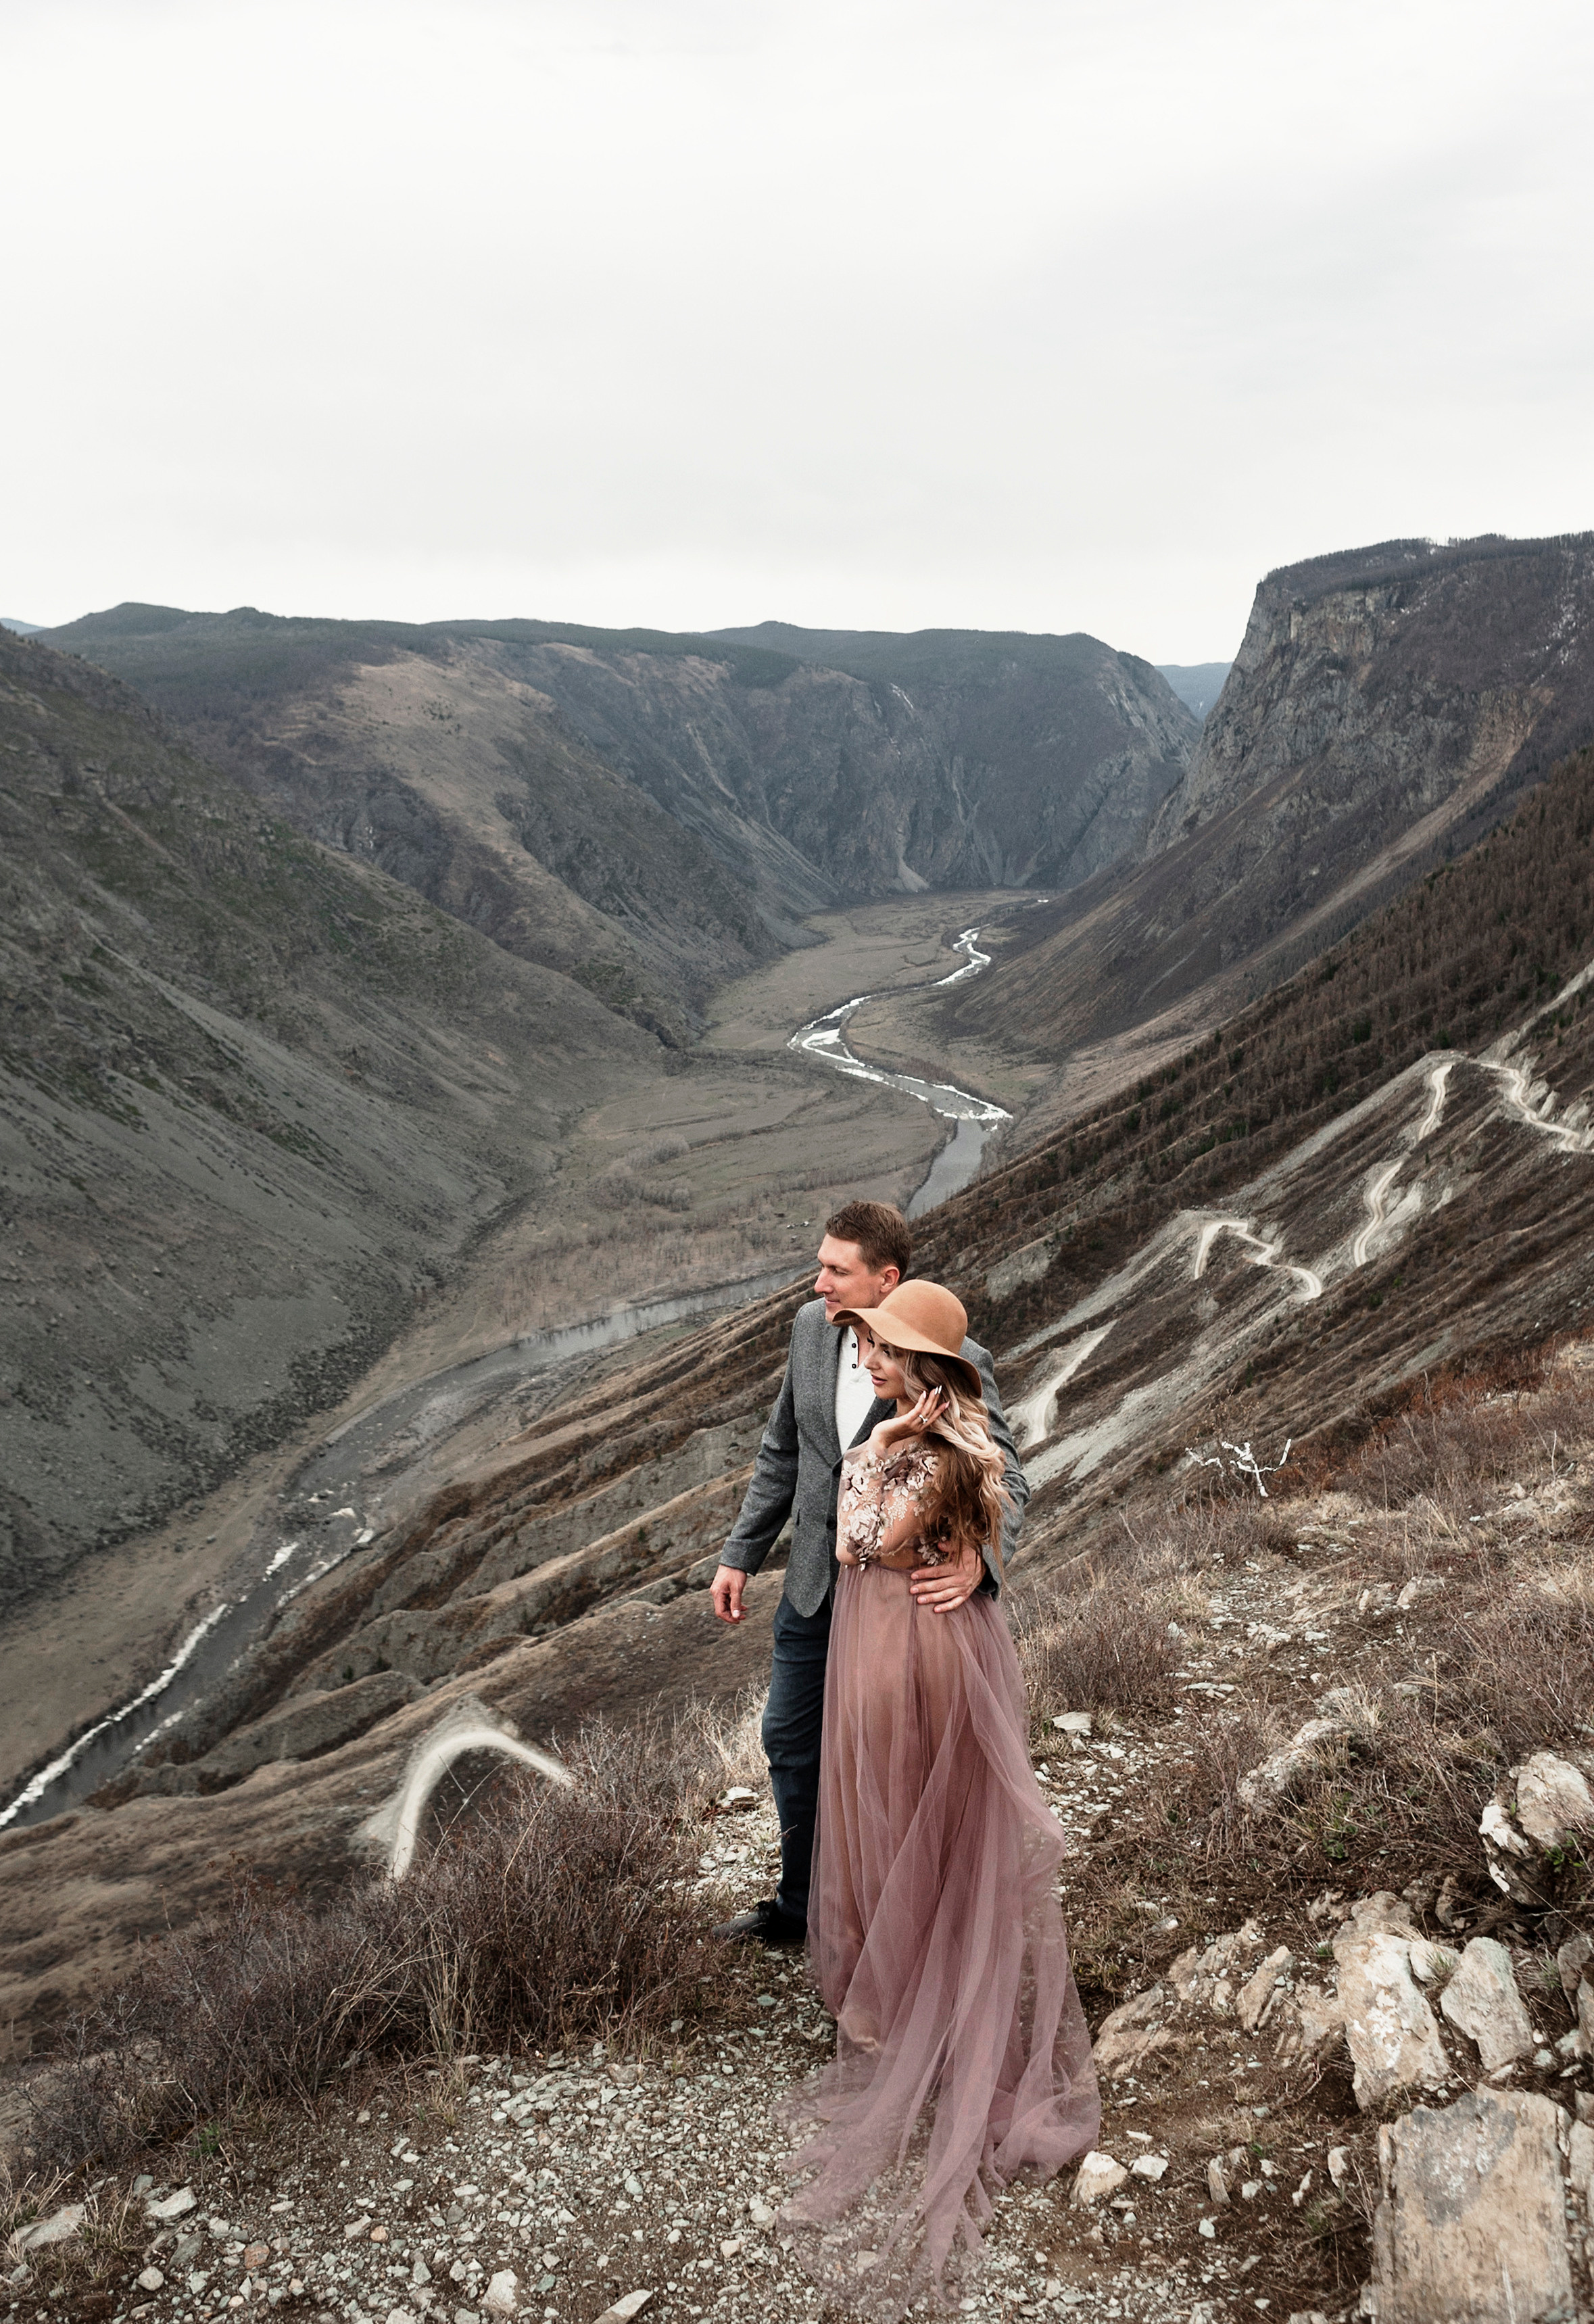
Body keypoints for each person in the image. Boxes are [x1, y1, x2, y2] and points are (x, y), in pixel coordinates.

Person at [776, 1278, 1099, 2317]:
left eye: (880, 1349)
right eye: (866, 1347)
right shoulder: (932, 1436)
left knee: (910, 1815)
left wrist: (881, 1450)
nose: (865, 1361)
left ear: (921, 1364)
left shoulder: (934, 1446)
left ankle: (920, 2014)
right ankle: (906, 1992)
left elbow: (852, 1539)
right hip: (898, 1633)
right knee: (903, 1814)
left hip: (908, 1644)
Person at [710, 1201, 1028, 1946]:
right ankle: (802, 1906)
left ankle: (899, 1921)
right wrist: (740, 1555)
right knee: (790, 1741)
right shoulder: (807, 1332)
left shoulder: (958, 1357)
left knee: (893, 1768)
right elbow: (783, 1451)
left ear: (886, 1280)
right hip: (815, 1591)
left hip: (898, 1609)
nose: (817, 1283)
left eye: (835, 1270)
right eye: (820, 1265)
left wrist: (980, 1566)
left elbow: (1007, 1475)